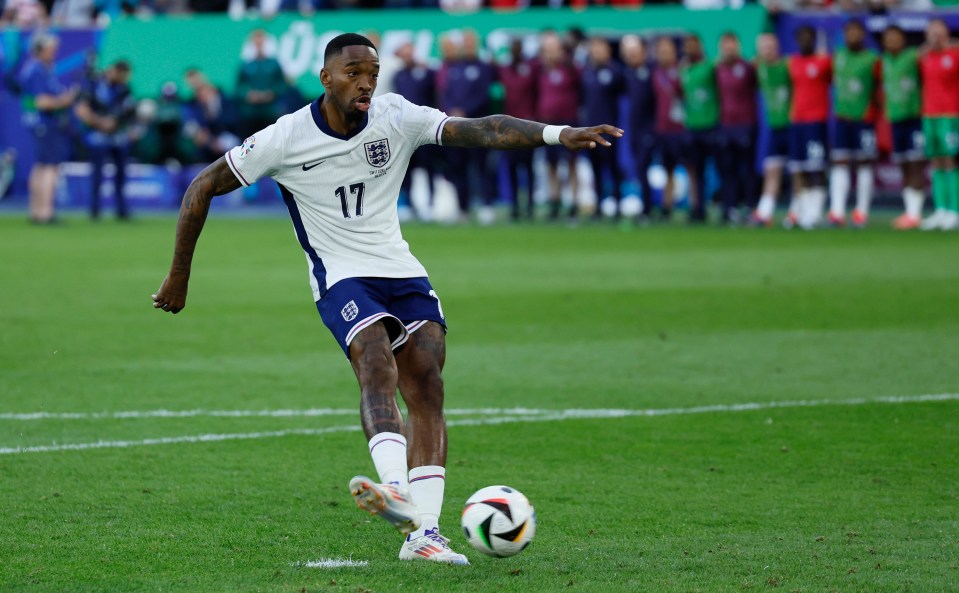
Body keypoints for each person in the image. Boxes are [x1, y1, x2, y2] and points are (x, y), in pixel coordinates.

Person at [151, 33, 621, 565]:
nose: (366, 81)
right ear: (326, 78)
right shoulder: (286, 137)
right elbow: (202, 186)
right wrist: (179, 276)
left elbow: (484, 129)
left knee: (427, 382)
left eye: (372, 71)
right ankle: (396, 493)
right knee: (376, 364)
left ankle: (425, 535)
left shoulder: (395, 115)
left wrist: (559, 134)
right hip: (341, 275)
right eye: (353, 72)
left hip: (399, 268)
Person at [19, 32, 78, 224]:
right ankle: (45, 212)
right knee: (50, 167)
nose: (54, 52)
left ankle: (36, 211)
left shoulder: (42, 69)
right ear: (40, 49)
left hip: (41, 124)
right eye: (50, 48)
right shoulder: (36, 70)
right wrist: (65, 100)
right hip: (46, 123)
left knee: (41, 166)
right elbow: (41, 101)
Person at [439, 29, 497, 223]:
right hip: (456, 128)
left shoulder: (483, 67)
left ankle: (486, 205)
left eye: (471, 43)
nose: (467, 46)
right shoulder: (454, 68)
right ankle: (462, 207)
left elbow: (483, 95)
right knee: (458, 167)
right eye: (465, 43)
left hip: (478, 127)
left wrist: (465, 110)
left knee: (481, 166)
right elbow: (445, 94)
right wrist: (452, 110)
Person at [828, 20, 880, 228]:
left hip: (865, 120)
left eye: (856, 32)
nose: (852, 36)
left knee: (864, 163)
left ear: (863, 35)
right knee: (840, 162)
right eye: (849, 32)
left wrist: (873, 111)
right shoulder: (838, 56)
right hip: (842, 118)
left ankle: (861, 211)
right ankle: (837, 211)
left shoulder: (872, 59)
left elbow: (879, 87)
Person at [75, 60, 136, 220]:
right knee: (97, 175)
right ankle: (94, 210)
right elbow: (82, 110)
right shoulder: (94, 86)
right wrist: (100, 123)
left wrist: (124, 127)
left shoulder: (125, 89)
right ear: (113, 71)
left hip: (118, 137)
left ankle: (121, 210)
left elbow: (129, 112)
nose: (123, 78)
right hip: (98, 136)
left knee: (121, 175)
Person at [881, 25, 926, 230]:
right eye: (888, 38)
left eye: (895, 37)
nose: (891, 41)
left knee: (917, 163)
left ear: (903, 39)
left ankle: (916, 212)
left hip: (914, 117)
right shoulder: (883, 61)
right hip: (895, 118)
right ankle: (910, 212)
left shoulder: (913, 56)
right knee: (903, 165)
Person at [787, 24, 831, 229]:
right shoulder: (792, 63)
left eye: (808, 37)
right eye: (801, 37)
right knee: (799, 168)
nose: (805, 41)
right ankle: (803, 210)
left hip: (816, 121)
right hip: (797, 122)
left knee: (817, 167)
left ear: (814, 39)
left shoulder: (824, 62)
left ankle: (815, 212)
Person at [918, 19, 959, 231]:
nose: (935, 37)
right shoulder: (924, 57)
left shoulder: (955, 55)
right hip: (929, 115)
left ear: (946, 35)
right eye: (931, 33)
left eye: (939, 33)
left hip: (951, 115)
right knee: (935, 162)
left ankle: (955, 210)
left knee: (950, 161)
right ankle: (940, 209)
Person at [393, 40, 441, 220]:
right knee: (406, 169)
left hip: (426, 129)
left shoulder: (427, 73)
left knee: (429, 167)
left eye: (409, 52)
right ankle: (408, 205)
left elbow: (435, 94)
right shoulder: (398, 75)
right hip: (406, 131)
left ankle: (430, 204)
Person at [537, 31, 582, 221]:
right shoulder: (539, 71)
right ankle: (554, 201)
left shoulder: (571, 70)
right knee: (551, 165)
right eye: (546, 50)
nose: (550, 54)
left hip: (569, 122)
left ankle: (574, 203)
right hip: (548, 123)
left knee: (571, 164)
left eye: (553, 50)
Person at [714, 31, 758, 224]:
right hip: (725, 125)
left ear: (738, 46)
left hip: (746, 124)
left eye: (732, 45)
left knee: (747, 169)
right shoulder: (717, 69)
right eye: (726, 45)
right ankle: (729, 207)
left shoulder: (748, 68)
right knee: (727, 169)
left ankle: (749, 207)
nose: (729, 49)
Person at [752, 33, 793, 227]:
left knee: (798, 172)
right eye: (763, 47)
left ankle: (797, 211)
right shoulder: (759, 69)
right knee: (772, 171)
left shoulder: (788, 66)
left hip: (793, 125)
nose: (767, 50)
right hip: (773, 127)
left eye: (770, 46)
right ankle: (765, 212)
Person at [582, 36, 625, 217]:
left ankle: (617, 204)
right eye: (594, 49)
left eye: (600, 49)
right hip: (590, 130)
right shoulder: (587, 73)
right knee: (595, 169)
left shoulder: (615, 72)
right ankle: (598, 205)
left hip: (609, 130)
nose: (597, 52)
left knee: (613, 168)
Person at [497, 37, 539, 221]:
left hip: (528, 125)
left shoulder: (531, 69)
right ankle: (514, 205)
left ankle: (529, 205)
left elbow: (538, 93)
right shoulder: (503, 70)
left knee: (528, 167)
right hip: (508, 126)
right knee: (512, 167)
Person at [680, 33, 719, 223]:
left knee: (723, 168)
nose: (690, 49)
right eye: (687, 46)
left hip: (712, 125)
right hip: (692, 126)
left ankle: (729, 207)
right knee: (696, 171)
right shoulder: (685, 70)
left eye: (693, 45)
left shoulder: (711, 67)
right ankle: (698, 208)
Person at [620, 34, 657, 218]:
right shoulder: (627, 75)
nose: (631, 57)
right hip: (635, 129)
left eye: (634, 52)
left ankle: (652, 207)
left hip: (653, 129)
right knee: (640, 168)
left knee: (655, 167)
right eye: (628, 53)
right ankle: (647, 206)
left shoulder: (653, 72)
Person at [652, 36, 686, 220]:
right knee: (667, 169)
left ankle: (696, 206)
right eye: (661, 50)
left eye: (667, 50)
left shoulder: (681, 71)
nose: (664, 54)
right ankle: (667, 205)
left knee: (689, 166)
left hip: (680, 128)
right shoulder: (656, 73)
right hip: (662, 128)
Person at [236, 29, 288, 139]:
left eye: (261, 42)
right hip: (250, 113)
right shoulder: (245, 65)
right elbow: (238, 87)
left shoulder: (274, 64)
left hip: (270, 111)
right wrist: (248, 95)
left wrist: (272, 93)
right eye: (256, 43)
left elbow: (282, 84)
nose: (259, 46)